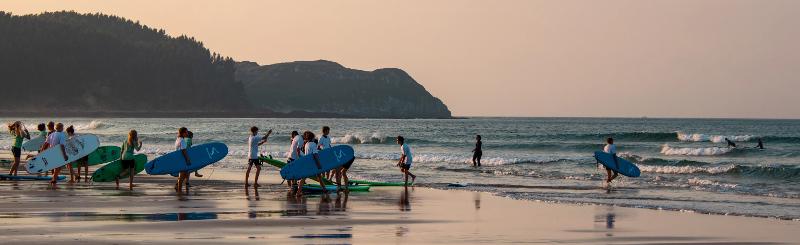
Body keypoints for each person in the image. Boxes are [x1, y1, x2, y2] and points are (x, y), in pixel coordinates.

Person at [298, 131, 326, 196]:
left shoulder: (306, 144)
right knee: (305, 177)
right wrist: (318, 164)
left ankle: (324, 189)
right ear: (312, 137)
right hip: (312, 164)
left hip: (307, 162)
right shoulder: (313, 144)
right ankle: (298, 192)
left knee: (318, 176)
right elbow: (315, 155)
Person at [174, 127, 192, 193]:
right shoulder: (182, 140)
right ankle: (179, 190)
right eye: (186, 132)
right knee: (182, 175)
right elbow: (183, 151)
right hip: (182, 160)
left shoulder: (178, 139)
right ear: (183, 133)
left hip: (178, 159)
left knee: (185, 174)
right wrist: (187, 159)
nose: (187, 133)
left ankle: (177, 186)